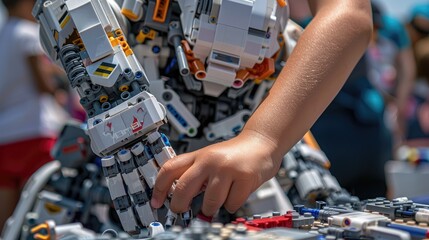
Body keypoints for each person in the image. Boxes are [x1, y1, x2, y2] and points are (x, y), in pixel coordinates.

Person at [150, 0, 373, 217]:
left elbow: (350, 10)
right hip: (140, 140)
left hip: (266, 132)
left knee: (324, 211)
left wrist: (263, 138)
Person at [0, 0, 67, 231]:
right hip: (36, 132)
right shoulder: (28, 34)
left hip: (5, 137)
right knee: (40, 217)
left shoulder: (2, 35)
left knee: (5, 222)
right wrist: (58, 87)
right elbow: (44, 86)